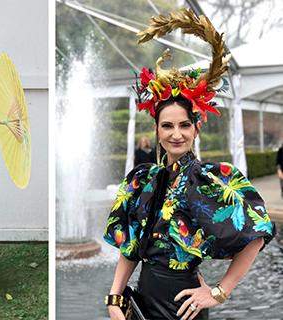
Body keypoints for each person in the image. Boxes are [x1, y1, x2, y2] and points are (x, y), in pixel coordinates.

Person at [103, 9, 275, 320]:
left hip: (183, 305)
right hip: (142, 300)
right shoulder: (144, 180)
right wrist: (115, 296)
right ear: (156, 129)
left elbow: (259, 233)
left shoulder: (211, 179)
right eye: (167, 126)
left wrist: (219, 292)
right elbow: (129, 246)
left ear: (196, 128)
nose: (176, 134)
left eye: (184, 125)